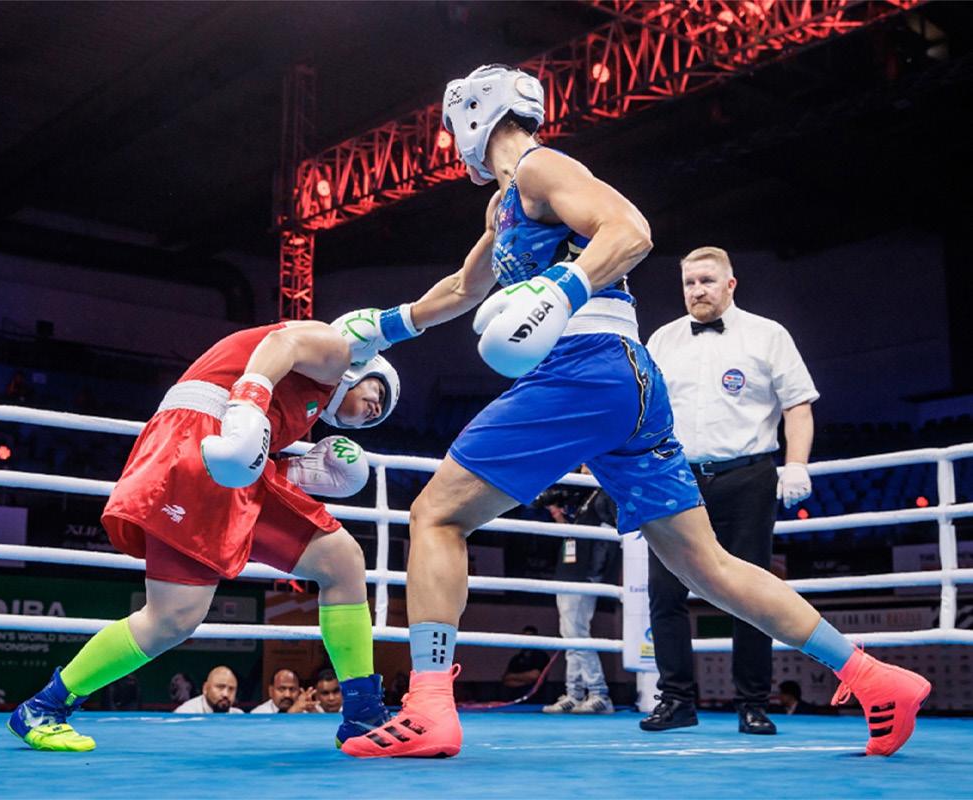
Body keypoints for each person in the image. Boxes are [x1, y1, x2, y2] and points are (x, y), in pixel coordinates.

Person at [333, 64, 931, 759]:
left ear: (471, 115)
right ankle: (874, 676)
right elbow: (464, 288)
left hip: (583, 366)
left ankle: (429, 707)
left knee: (436, 515)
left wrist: (560, 289)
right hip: (627, 382)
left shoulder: (540, 168)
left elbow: (630, 230)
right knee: (706, 566)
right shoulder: (504, 207)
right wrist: (383, 327)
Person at [8, 321, 399, 751]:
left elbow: (248, 456)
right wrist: (410, 318)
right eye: (378, 390)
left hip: (228, 472)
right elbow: (280, 346)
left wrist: (293, 470)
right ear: (359, 368)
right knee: (170, 619)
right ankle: (45, 706)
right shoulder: (326, 351)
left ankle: (362, 713)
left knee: (340, 561)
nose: (377, 407)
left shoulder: (302, 404)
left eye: (383, 409)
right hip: (195, 448)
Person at [640, 246, 818, 736]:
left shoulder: (768, 335)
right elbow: (643, 409)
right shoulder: (663, 339)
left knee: (751, 592)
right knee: (665, 591)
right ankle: (676, 699)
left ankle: (753, 703)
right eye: (689, 282)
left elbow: (798, 405)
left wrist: (796, 464)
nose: (697, 290)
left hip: (747, 477)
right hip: (675, 478)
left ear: (730, 284)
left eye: (706, 281)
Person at [540, 468, 618, 715]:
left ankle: (599, 693)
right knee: (569, 634)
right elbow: (574, 536)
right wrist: (557, 513)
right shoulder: (587, 498)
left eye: (588, 465)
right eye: (582, 466)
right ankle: (574, 694)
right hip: (569, 571)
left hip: (583, 574)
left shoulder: (605, 495)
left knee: (577, 633)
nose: (583, 469)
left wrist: (594, 574)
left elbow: (607, 539)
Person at [501, 626, 550, 701]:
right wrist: (526, 681)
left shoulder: (541, 656)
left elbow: (534, 676)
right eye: (524, 637)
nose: (526, 640)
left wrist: (515, 677)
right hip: (515, 698)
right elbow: (506, 679)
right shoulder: (516, 658)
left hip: (536, 698)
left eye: (529, 637)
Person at [175, 666, 243, 714]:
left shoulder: (238, 715)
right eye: (220, 687)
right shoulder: (186, 713)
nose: (226, 694)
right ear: (205, 688)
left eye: (231, 689)